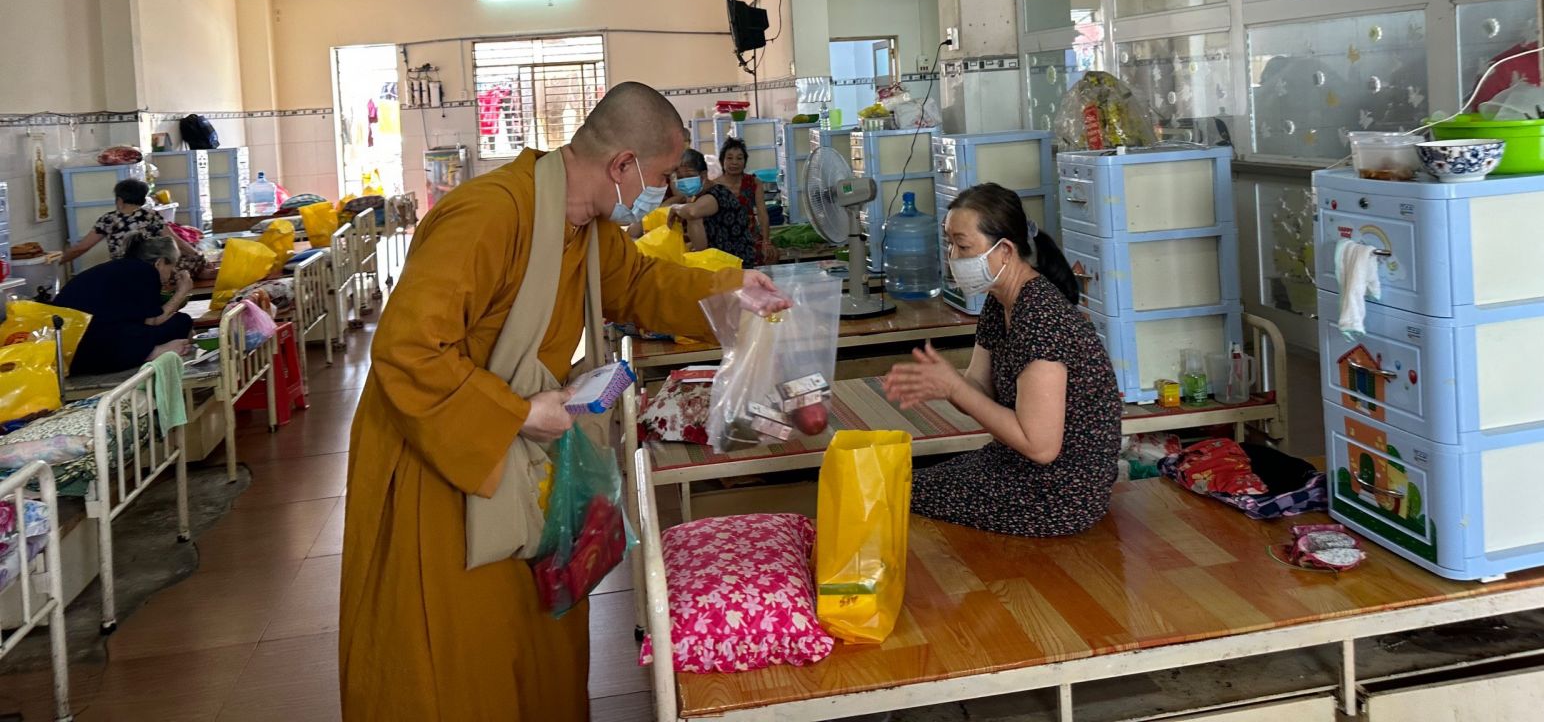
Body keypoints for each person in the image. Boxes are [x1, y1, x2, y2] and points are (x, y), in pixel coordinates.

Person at [339, 82, 789, 722]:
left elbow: (641, 282)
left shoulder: (586, 228)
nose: (665, 191)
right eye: (661, 175)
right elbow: (407, 350)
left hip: (523, 454)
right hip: (441, 454)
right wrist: (520, 414)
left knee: (539, 642)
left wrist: (729, 289)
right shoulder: (491, 214)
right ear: (622, 164)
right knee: (459, 661)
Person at [883, 183, 1120, 538]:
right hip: (1016, 464)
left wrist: (954, 388)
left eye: (963, 246)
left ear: (1005, 250)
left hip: (1060, 492)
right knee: (900, 480)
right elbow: (979, 387)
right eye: (950, 244)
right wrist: (946, 384)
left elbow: (1040, 447)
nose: (953, 257)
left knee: (896, 493)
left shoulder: (1041, 318)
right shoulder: (1000, 301)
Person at [55, 235, 195, 376]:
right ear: (160, 263)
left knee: (173, 323)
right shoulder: (147, 272)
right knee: (182, 322)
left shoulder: (123, 268)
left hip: (65, 354)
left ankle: (148, 351)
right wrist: (181, 292)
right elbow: (152, 322)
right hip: (95, 349)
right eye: (171, 267)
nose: (172, 274)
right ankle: (151, 352)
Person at [668, 137, 768, 268]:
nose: (684, 180)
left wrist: (675, 208)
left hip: (736, 264)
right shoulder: (699, 197)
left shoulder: (716, 194)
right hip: (720, 263)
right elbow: (701, 243)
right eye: (680, 177)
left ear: (703, 175)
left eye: (689, 175)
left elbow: (692, 212)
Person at [58, 178, 202, 268]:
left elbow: (81, 248)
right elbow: (175, 240)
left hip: (121, 272)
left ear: (120, 200)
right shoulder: (151, 216)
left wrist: (57, 262)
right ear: (143, 200)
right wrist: (198, 255)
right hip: (151, 271)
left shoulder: (108, 219)